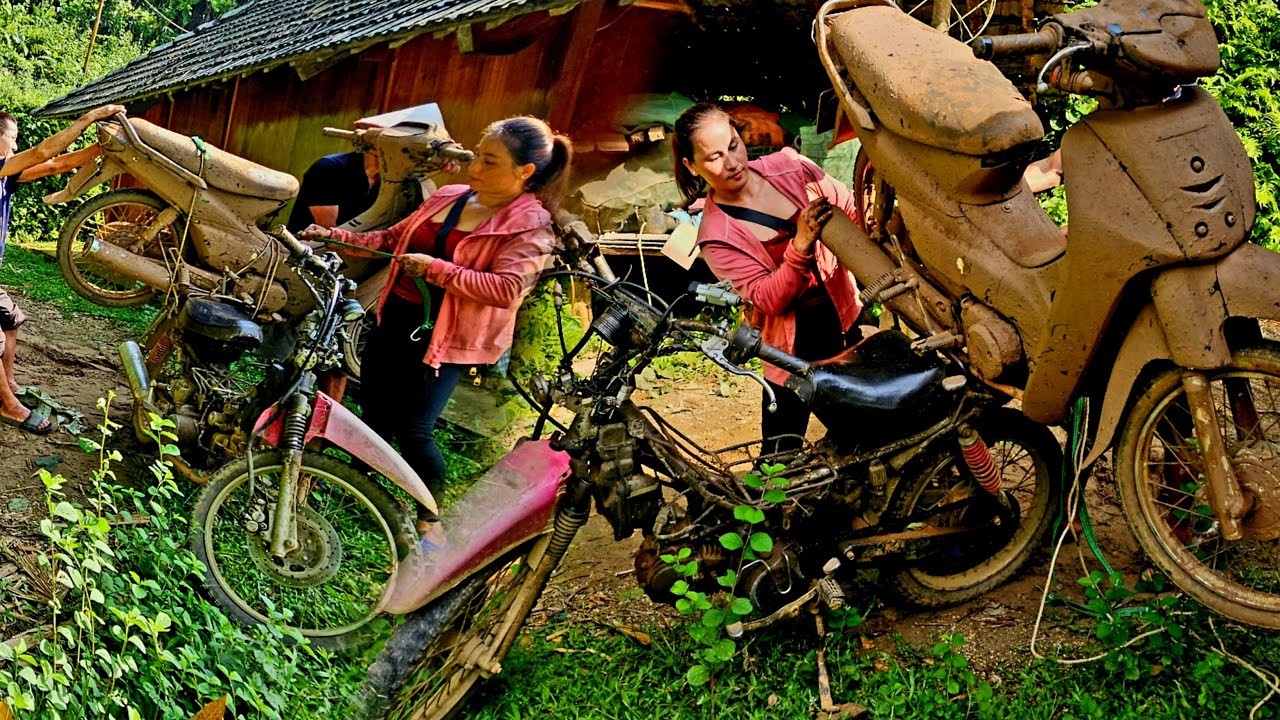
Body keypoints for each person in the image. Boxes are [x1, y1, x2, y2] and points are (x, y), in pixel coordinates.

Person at [300, 116, 571, 533]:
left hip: (447, 339)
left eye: (490, 161)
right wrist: (334, 237)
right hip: (394, 318)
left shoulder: (531, 226)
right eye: (477, 156)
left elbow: (506, 289)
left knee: (415, 430)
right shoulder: (450, 196)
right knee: (373, 414)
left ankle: (430, 517)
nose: (474, 168)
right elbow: (392, 240)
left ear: (525, 172)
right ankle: (363, 494)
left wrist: (436, 270)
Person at [673, 102, 863, 457]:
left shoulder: (790, 166)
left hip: (843, 319)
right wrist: (802, 242)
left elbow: (848, 207)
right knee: (780, 455)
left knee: (863, 432)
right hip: (790, 347)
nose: (731, 163)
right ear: (691, 165)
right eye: (714, 157)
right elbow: (767, 299)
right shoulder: (718, 234)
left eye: (733, 145)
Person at [0, 103, 126, 435]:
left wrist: (106, 146)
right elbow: (43, 150)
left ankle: (8, 382)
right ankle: (8, 407)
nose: (16, 146)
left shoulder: (6, 174)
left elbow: (56, 163)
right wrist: (90, 118)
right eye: (12, 139)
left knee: (12, 320)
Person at [285, 150, 380, 232]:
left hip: (355, 246)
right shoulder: (329, 168)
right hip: (308, 246)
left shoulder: (387, 181)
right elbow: (327, 232)